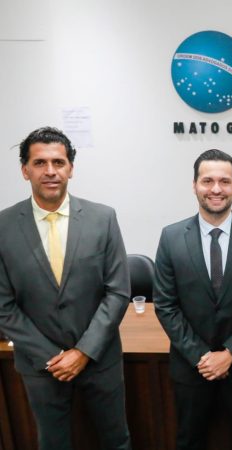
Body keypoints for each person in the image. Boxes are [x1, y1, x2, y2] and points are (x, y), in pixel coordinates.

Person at [0, 127, 131, 450]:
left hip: (100, 359)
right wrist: (53, 357)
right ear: (25, 170)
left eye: (58, 162)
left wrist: (83, 352)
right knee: (53, 444)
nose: (50, 171)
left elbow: (117, 292)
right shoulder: (3, 226)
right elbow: (3, 305)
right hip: (40, 366)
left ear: (70, 168)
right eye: (40, 163)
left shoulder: (103, 218)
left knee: (116, 441)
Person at [154, 149, 232, 450]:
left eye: (225, 181)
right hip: (190, 367)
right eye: (207, 181)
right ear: (194, 185)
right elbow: (166, 305)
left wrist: (230, 354)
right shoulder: (171, 237)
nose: (216, 189)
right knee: (189, 441)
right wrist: (202, 357)